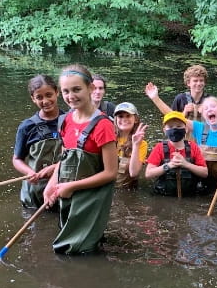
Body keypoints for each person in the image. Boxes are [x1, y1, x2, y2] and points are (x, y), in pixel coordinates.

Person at [44, 64, 118, 254]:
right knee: (68, 241)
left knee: (82, 250)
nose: (71, 96)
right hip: (68, 190)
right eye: (66, 91)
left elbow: (110, 173)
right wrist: (52, 184)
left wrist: (72, 186)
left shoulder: (103, 125)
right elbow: (64, 158)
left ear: (91, 88)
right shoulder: (65, 120)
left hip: (92, 195)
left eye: (77, 89)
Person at [12, 74, 66, 209]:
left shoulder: (70, 121)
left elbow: (75, 155)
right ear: (33, 99)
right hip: (34, 191)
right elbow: (17, 159)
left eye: (49, 95)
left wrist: (55, 168)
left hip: (62, 186)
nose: (45, 101)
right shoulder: (27, 127)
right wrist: (29, 172)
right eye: (39, 97)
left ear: (57, 92)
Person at [145, 111, 208, 196]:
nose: (174, 129)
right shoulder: (159, 148)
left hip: (189, 196)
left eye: (179, 126)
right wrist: (169, 165)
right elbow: (148, 174)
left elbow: (204, 173)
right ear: (164, 130)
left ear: (185, 129)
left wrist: (186, 164)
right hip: (165, 197)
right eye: (170, 126)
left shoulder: (193, 147)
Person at [113, 102, 148, 189]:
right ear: (115, 120)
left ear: (135, 119)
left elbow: (134, 173)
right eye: (120, 116)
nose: (124, 119)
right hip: (107, 186)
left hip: (127, 188)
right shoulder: (109, 138)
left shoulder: (142, 144)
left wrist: (136, 145)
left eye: (128, 116)